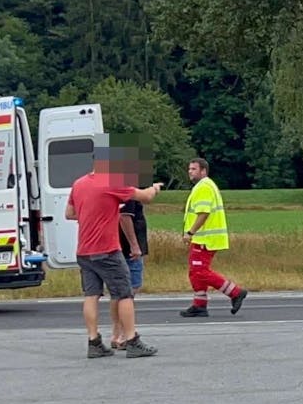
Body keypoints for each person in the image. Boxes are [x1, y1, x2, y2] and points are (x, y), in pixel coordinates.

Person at [68, 141, 161, 357]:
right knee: (124, 293)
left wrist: (93, 213)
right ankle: (132, 340)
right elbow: (145, 197)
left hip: (84, 250)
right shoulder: (112, 182)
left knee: (91, 295)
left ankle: (94, 342)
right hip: (107, 249)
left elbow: (69, 213)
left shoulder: (79, 184)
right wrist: (154, 188)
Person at [180, 157, 248, 317]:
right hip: (204, 238)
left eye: (194, 169)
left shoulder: (204, 187)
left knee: (199, 271)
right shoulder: (205, 185)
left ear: (203, 170)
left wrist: (190, 232)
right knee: (195, 271)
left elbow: (203, 212)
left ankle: (235, 292)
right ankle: (199, 304)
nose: (190, 171)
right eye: (189, 169)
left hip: (205, 239)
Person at [110, 196, 149, 350]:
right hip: (127, 249)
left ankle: (117, 332)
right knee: (128, 291)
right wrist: (134, 245)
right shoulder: (127, 188)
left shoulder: (113, 185)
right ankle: (124, 334)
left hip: (115, 246)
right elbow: (125, 216)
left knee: (118, 291)